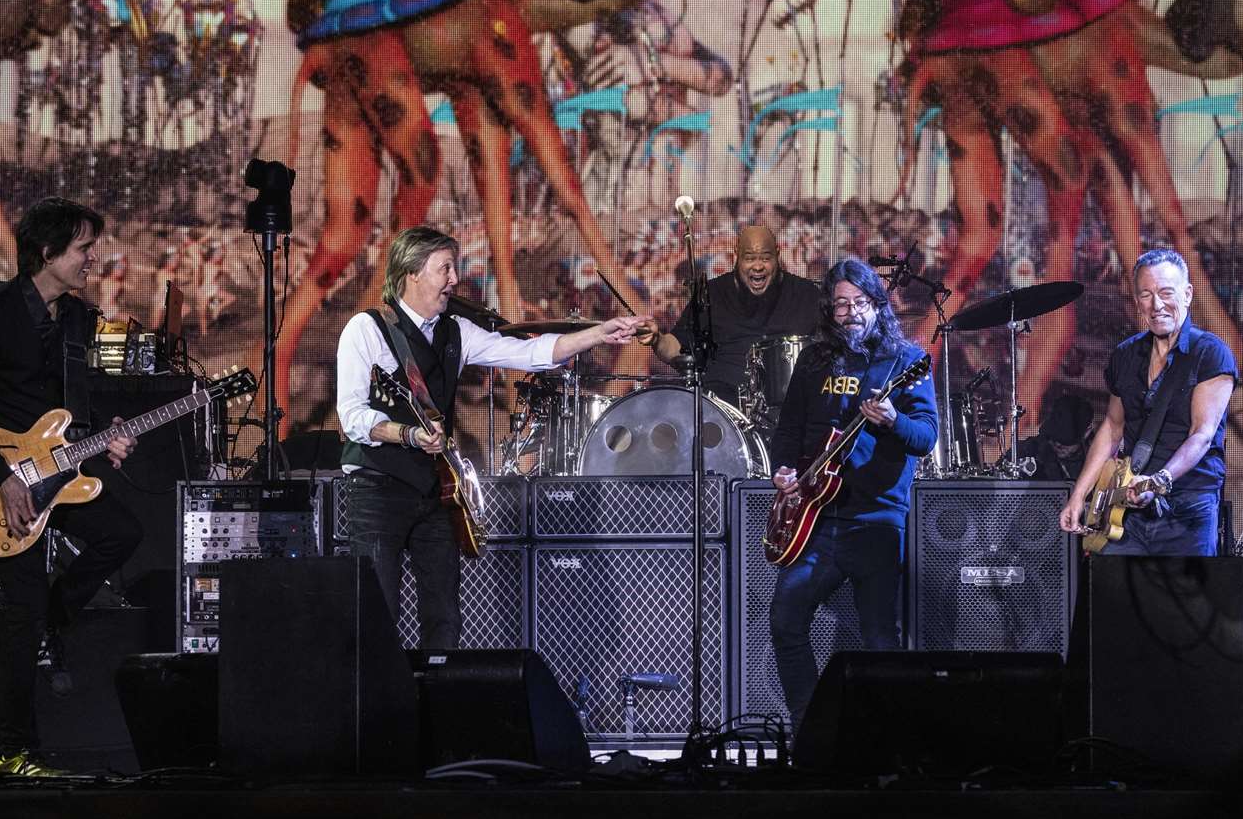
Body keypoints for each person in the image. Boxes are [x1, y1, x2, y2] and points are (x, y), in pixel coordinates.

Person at [336, 225, 648, 648]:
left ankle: (437, 703)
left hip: (436, 489)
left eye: (455, 268)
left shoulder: (456, 331)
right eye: (445, 268)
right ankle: (380, 709)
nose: (454, 279)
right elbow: (352, 415)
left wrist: (598, 333)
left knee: (444, 616)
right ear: (411, 272)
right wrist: (407, 434)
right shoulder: (366, 329)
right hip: (377, 489)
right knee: (376, 615)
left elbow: (530, 353)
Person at [0, 198, 140, 777]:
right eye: (82, 249)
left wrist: (109, 437)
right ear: (47, 254)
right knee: (19, 613)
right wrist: (2, 480)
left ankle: (56, 617)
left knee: (120, 533)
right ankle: (11, 750)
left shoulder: (78, 319)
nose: (93, 259)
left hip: (59, 471)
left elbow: (74, 409)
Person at [766, 258, 938, 726]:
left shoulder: (907, 362)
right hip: (815, 523)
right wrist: (782, 473)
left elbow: (925, 437)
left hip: (877, 523)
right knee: (785, 623)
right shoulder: (816, 359)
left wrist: (893, 420)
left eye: (860, 302)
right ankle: (808, 726)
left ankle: (884, 738)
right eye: (841, 305)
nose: (851, 313)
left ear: (878, 305)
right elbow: (791, 429)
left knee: (880, 638)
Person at [1058, 248, 1237, 555]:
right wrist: (1078, 495)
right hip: (1126, 508)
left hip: (1186, 509)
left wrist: (1159, 480)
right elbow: (1113, 428)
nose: (1157, 305)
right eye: (1146, 294)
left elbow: (1202, 433)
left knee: (1181, 603)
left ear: (1188, 294)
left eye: (1166, 292)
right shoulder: (1126, 355)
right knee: (1114, 601)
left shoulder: (1210, 352)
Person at [646, 224, 817, 406]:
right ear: (736, 254)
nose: (758, 266)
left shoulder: (807, 294)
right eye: (749, 258)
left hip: (790, 411)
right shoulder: (711, 294)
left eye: (765, 258)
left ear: (777, 253)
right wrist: (656, 339)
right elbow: (676, 348)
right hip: (722, 414)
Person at [1027, 392, 1095, 483]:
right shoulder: (1034, 452)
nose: (1058, 444)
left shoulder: (1099, 458)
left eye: (1066, 441)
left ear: (1087, 432)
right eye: (1053, 438)